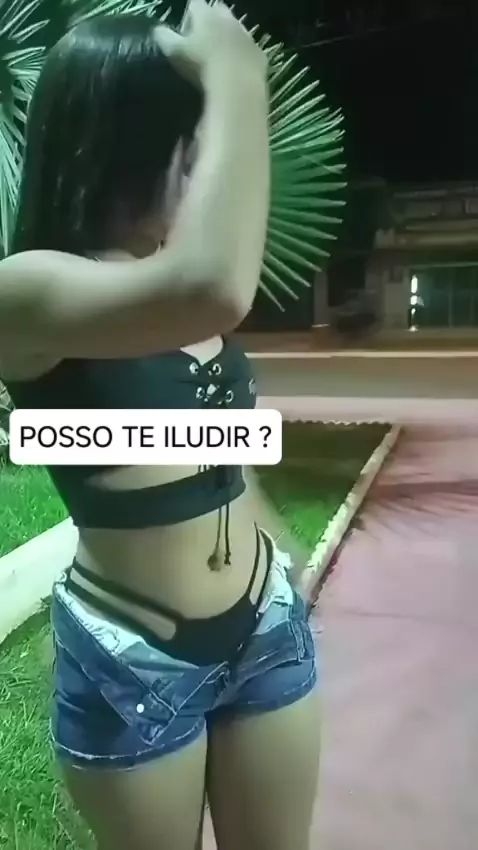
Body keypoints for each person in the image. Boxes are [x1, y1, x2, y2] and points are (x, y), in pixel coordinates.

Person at [0, 2, 320, 848]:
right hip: (134, 656)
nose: (213, 174)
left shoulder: (165, 283)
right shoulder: (26, 290)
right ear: (127, 148)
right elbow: (215, 286)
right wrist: (238, 77)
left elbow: (213, 441)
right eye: (196, 147)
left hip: (265, 626)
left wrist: (274, 540)